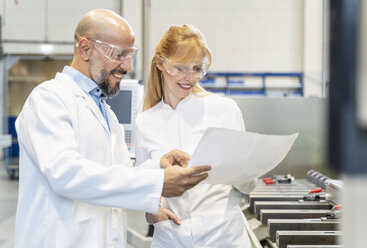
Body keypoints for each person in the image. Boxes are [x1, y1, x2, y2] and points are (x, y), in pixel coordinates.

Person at [14, 10, 211, 248]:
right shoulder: (49, 99)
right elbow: (66, 173)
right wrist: (156, 182)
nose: (127, 65)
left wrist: (156, 166)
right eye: (119, 54)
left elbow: (117, 172)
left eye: (130, 55)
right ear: (86, 49)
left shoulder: (106, 114)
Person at [134, 24, 256, 247]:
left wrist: (245, 170)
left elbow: (248, 185)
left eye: (197, 68)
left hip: (223, 236)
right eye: (180, 68)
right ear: (160, 63)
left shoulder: (224, 110)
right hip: (170, 238)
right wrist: (151, 213)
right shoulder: (145, 122)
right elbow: (143, 184)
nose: (189, 78)